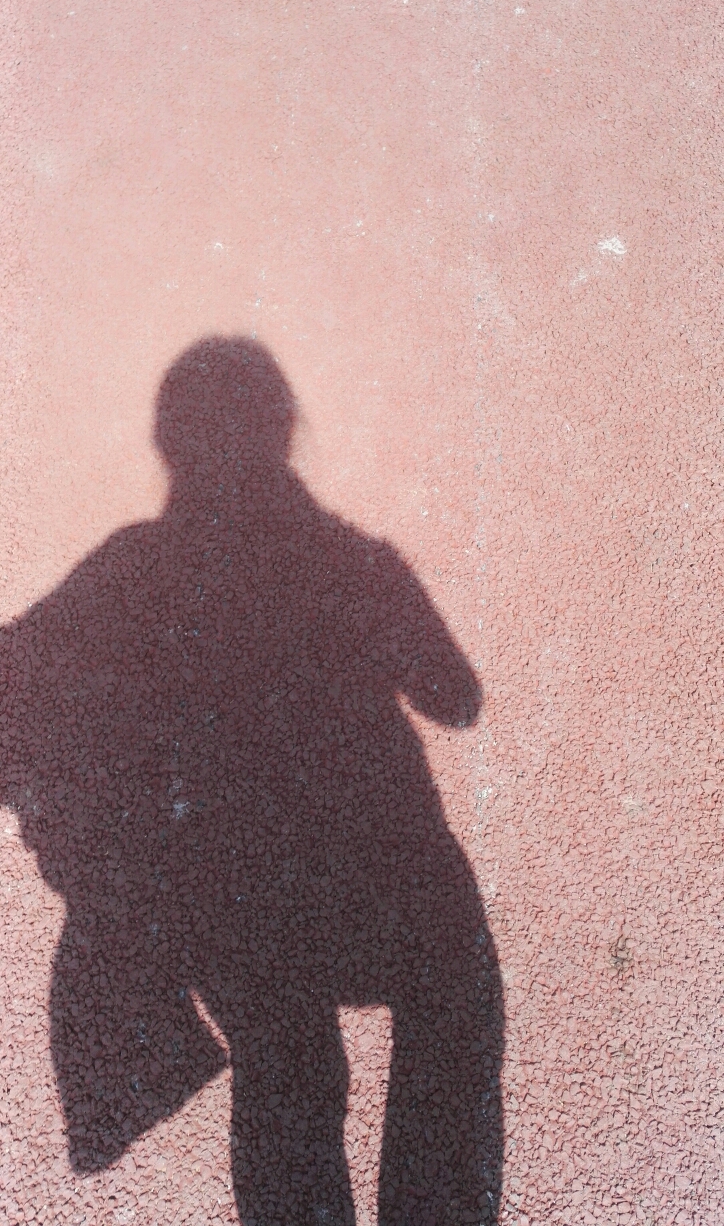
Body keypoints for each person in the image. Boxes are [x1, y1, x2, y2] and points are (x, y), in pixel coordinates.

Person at [1, 337, 503, 1224]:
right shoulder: (345, 562)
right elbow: (456, 698)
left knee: (288, 1070)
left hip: (236, 898)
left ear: (169, 445)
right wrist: (371, 573)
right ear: (283, 432)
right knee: (452, 1009)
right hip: (391, 878)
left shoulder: (137, 569)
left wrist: (83, 839)